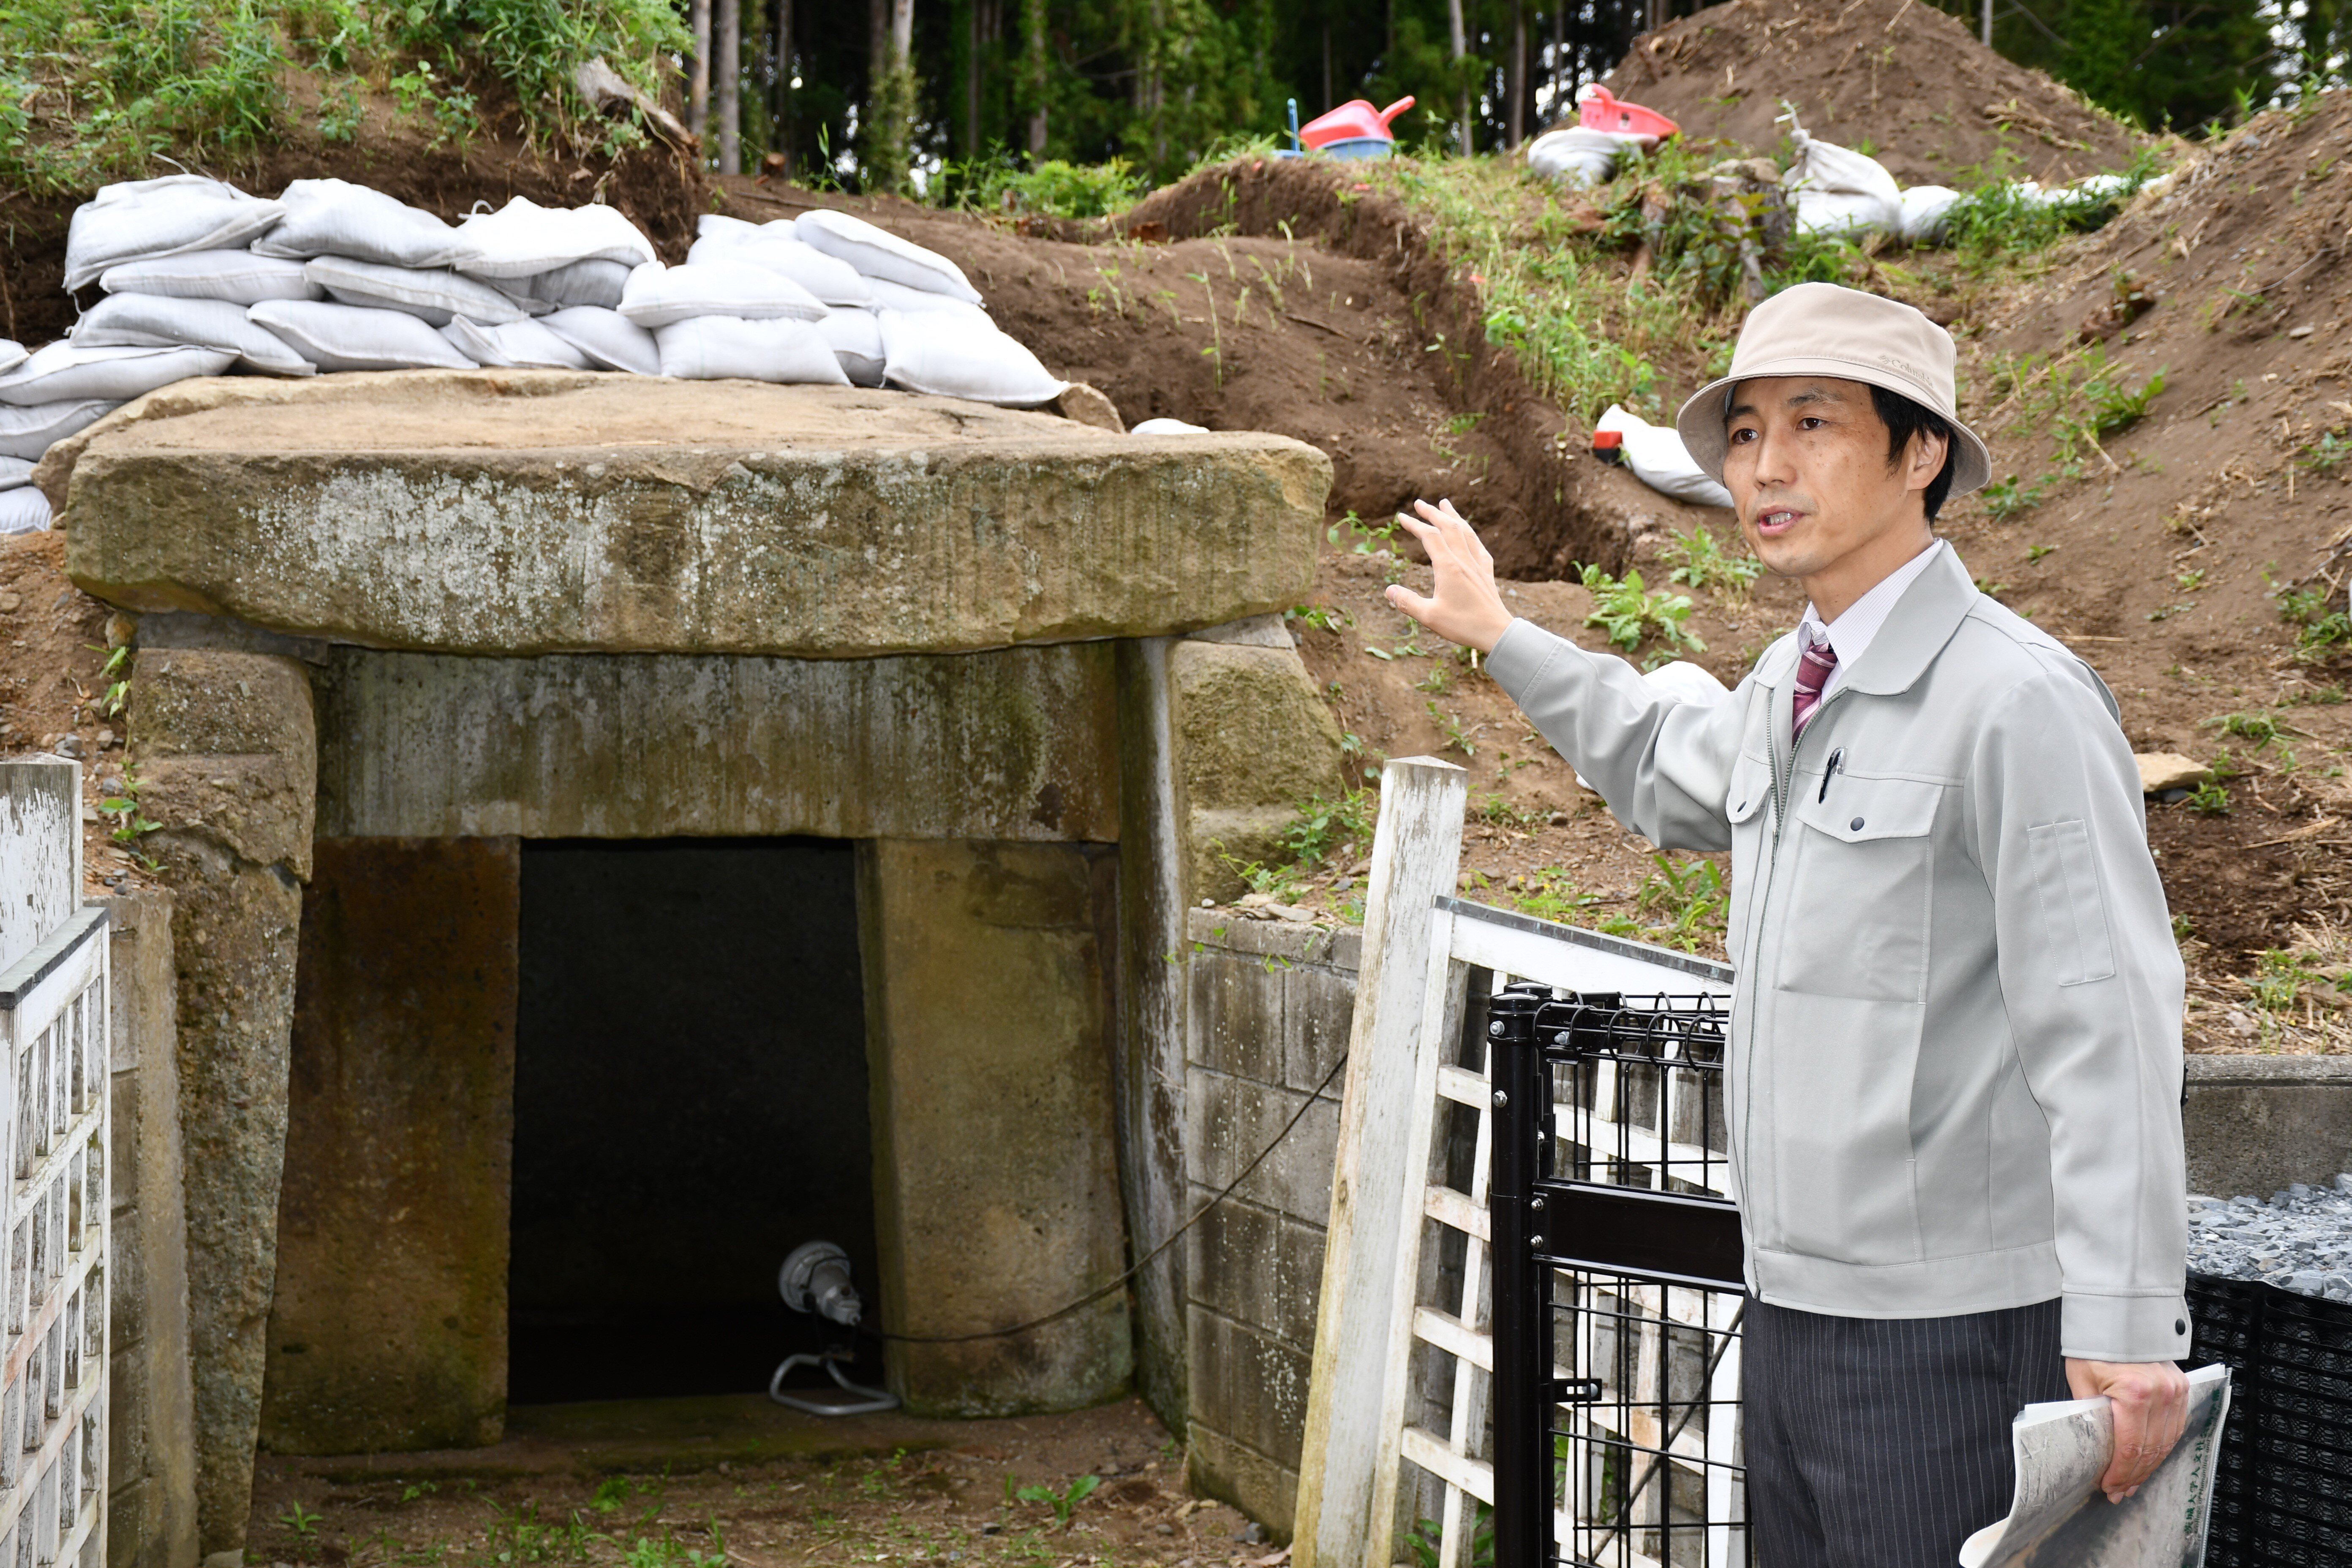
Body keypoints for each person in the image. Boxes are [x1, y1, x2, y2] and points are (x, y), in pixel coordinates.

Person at [1386, 282, 2191, 1566]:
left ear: (1920, 451)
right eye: (1748, 432)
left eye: (1814, 425)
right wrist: (1504, 636)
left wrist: (2129, 1320)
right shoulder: (1791, 680)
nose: (1767, 466)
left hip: (1952, 1336)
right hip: (1793, 1312)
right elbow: (1665, 759)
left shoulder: (2015, 701)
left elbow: (2109, 1018)